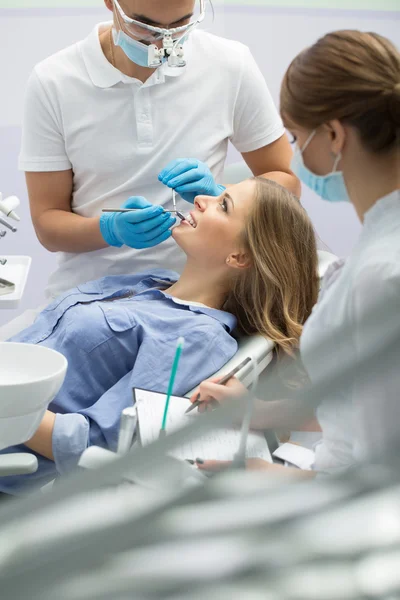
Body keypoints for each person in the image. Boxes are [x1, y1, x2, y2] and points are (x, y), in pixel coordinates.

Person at [0, 178, 318, 495]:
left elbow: (91, 445)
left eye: (223, 205)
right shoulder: (151, 283)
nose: (200, 200)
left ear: (239, 257)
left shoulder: (198, 338)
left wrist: (9, 404)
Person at [192, 30, 400, 477]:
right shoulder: (379, 244)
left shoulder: (384, 276)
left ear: (333, 135)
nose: (292, 152)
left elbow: (381, 476)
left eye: (294, 135)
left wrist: (256, 474)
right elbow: (363, 402)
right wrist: (259, 411)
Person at [18, 0, 299, 305]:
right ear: (111, 3)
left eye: (180, 24)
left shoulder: (231, 64)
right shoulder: (54, 81)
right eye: (144, 27)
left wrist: (222, 194)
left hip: (197, 300)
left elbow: (287, 182)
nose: (164, 42)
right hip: (88, 299)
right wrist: (109, 229)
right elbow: (48, 224)